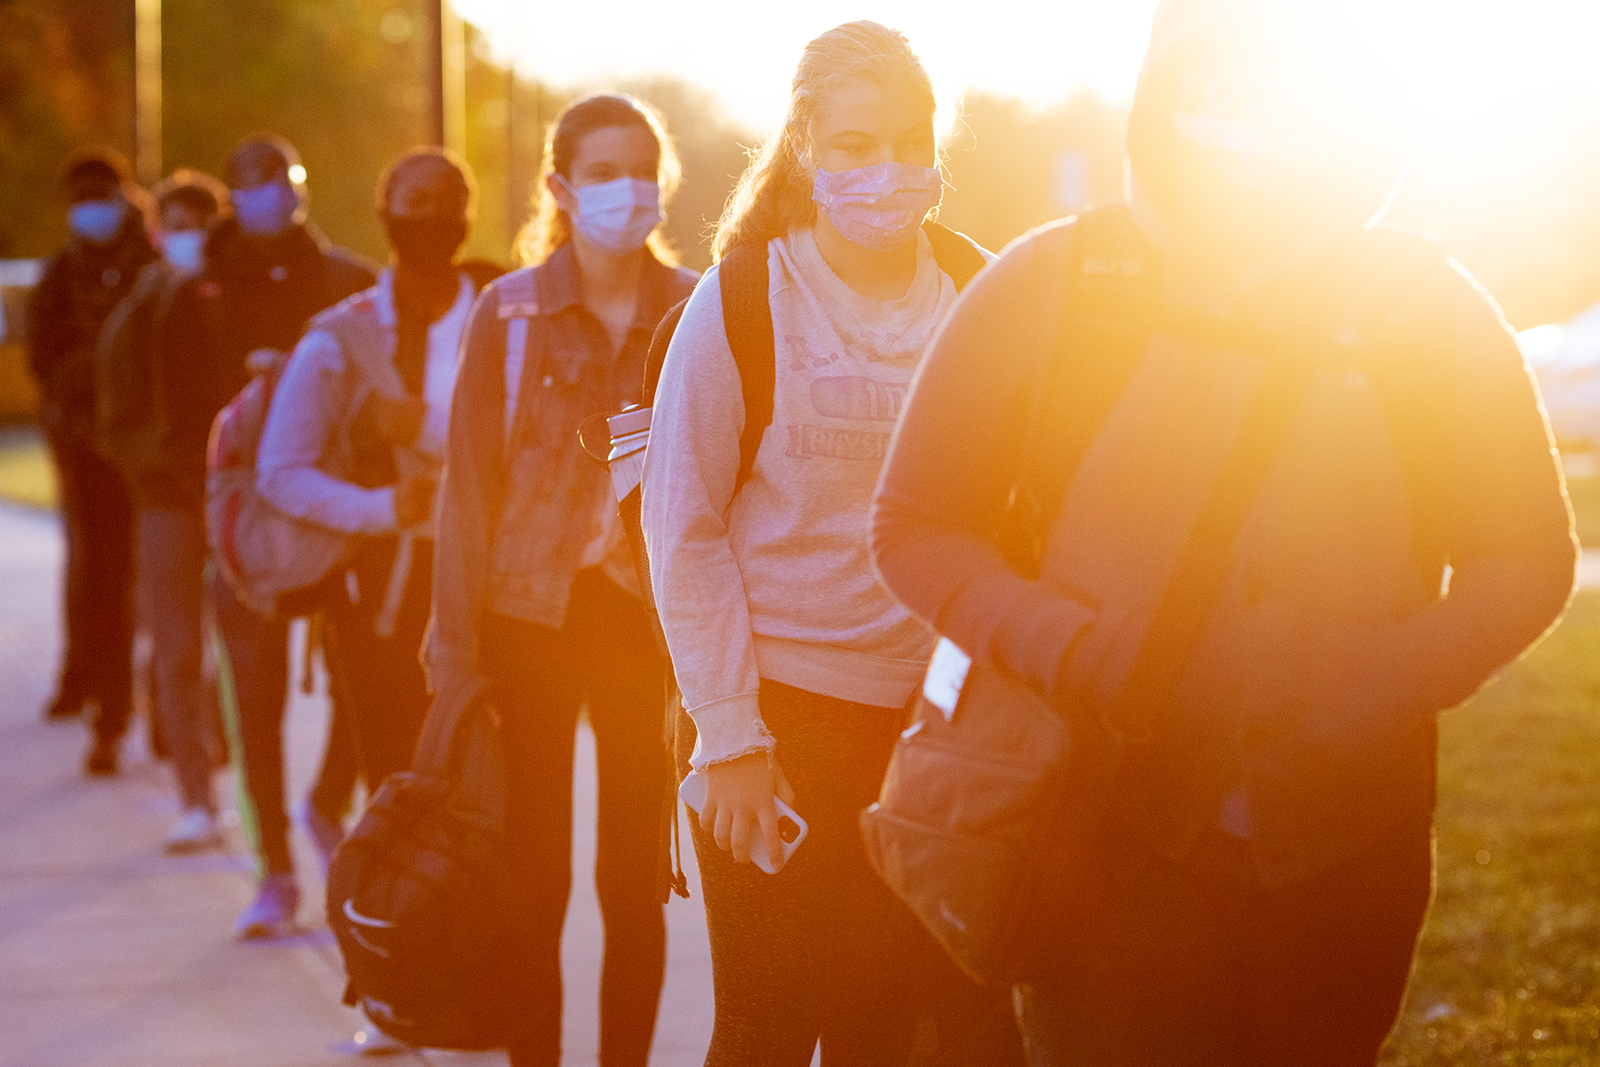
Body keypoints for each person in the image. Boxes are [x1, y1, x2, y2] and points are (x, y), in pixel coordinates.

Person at [869, 2, 1578, 1064]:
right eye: (1223, 83)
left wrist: (1391, 673)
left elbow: (1527, 556)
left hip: (1347, 854)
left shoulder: (1425, 311)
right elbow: (917, 523)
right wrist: (1068, 645)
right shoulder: (1055, 286)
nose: (1255, 116)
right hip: (1099, 839)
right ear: (1169, 85)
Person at [639, 23, 1012, 1065]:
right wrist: (730, 737)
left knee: (887, 1035)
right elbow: (683, 524)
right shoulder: (747, 298)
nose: (886, 170)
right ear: (804, 144)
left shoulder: (982, 298)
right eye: (854, 145)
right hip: (781, 726)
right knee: (764, 1029)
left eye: (909, 139)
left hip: (933, 736)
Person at [429, 93, 696, 1067]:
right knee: (533, 879)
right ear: (560, 186)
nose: (624, 187)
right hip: (526, 619)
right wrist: (451, 650)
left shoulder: (696, 309)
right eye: (600, 170)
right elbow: (465, 491)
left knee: (634, 882)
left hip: (644, 625)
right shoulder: (509, 313)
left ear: (660, 180)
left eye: (639, 167)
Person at [159, 134, 375, 933]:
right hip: (246, 533)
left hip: (340, 520)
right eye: (253, 186)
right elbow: (178, 418)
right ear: (232, 195)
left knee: (366, 686)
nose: (272, 197)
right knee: (254, 704)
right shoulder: (196, 294)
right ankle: (275, 869)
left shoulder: (347, 281)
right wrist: (224, 504)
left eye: (283, 181)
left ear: (301, 187)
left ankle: (326, 804)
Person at [258, 146, 499, 808]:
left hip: (494, 586)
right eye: (416, 202)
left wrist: (420, 427)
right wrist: (382, 508)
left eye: (449, 203)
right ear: (384, 214)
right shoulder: (342, 338)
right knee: (399, 785)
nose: (434, 216)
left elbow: (534, 441)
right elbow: (280, 472)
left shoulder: (507, 319)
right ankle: (393, 906)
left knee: (493, 788)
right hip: (380, 595)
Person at [94, 168, 230, 850]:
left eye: (201, 225)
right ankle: (197, 795)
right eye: (176, 227)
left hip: (236, 499)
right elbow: (114, 415)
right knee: (180, 652)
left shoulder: (235, 300)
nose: (189, 239)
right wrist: (162, 466)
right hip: (168, 501)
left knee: (239, 655)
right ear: (157, 234)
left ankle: (240, 778)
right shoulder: (138, 315)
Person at [26, 147, 154, 774]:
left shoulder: (152, 266)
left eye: (99, 197)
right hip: (88, 449)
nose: (90, 212)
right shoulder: (61, 272)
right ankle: (108, 710)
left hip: (150, 454)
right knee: (100, 578)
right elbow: (43, 358)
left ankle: (172, 716)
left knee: (160, 585)